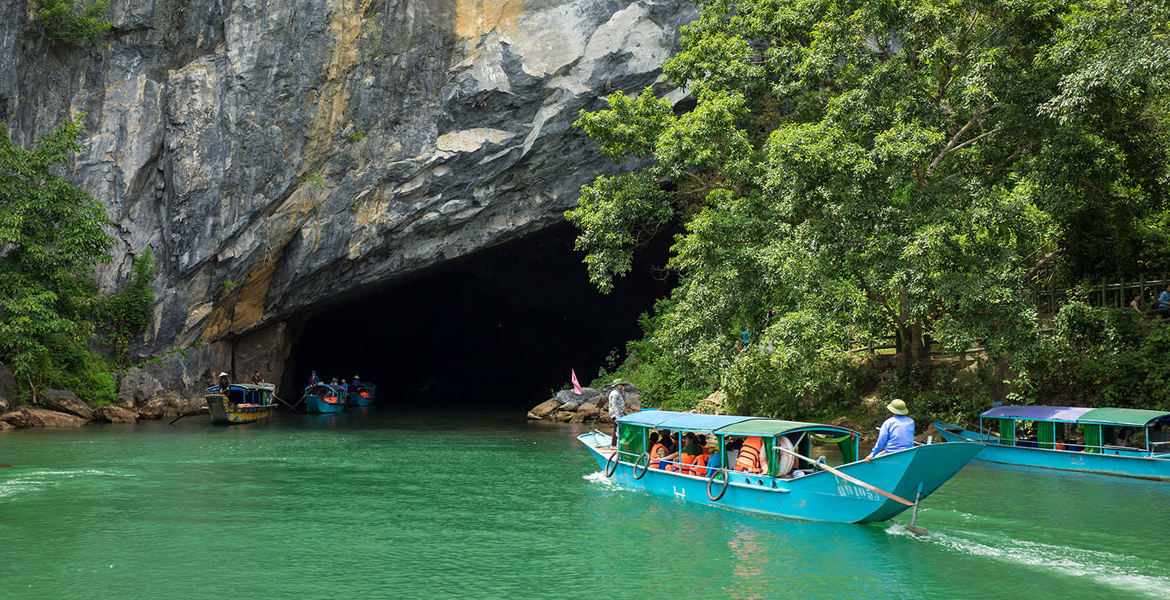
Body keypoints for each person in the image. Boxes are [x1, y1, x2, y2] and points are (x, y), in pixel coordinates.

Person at [608, 380, 627, 448]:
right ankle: (613, 445)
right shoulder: (615, 394)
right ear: (616, 385)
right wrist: (617, 417)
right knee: (616, 429)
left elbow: (624, 397)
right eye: (620, 385)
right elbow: (614, 405)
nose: (621, 386)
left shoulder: (618, 392)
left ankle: (615, 444)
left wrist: (623, 391)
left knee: (617, 429)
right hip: (616, 413)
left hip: (618, 413)